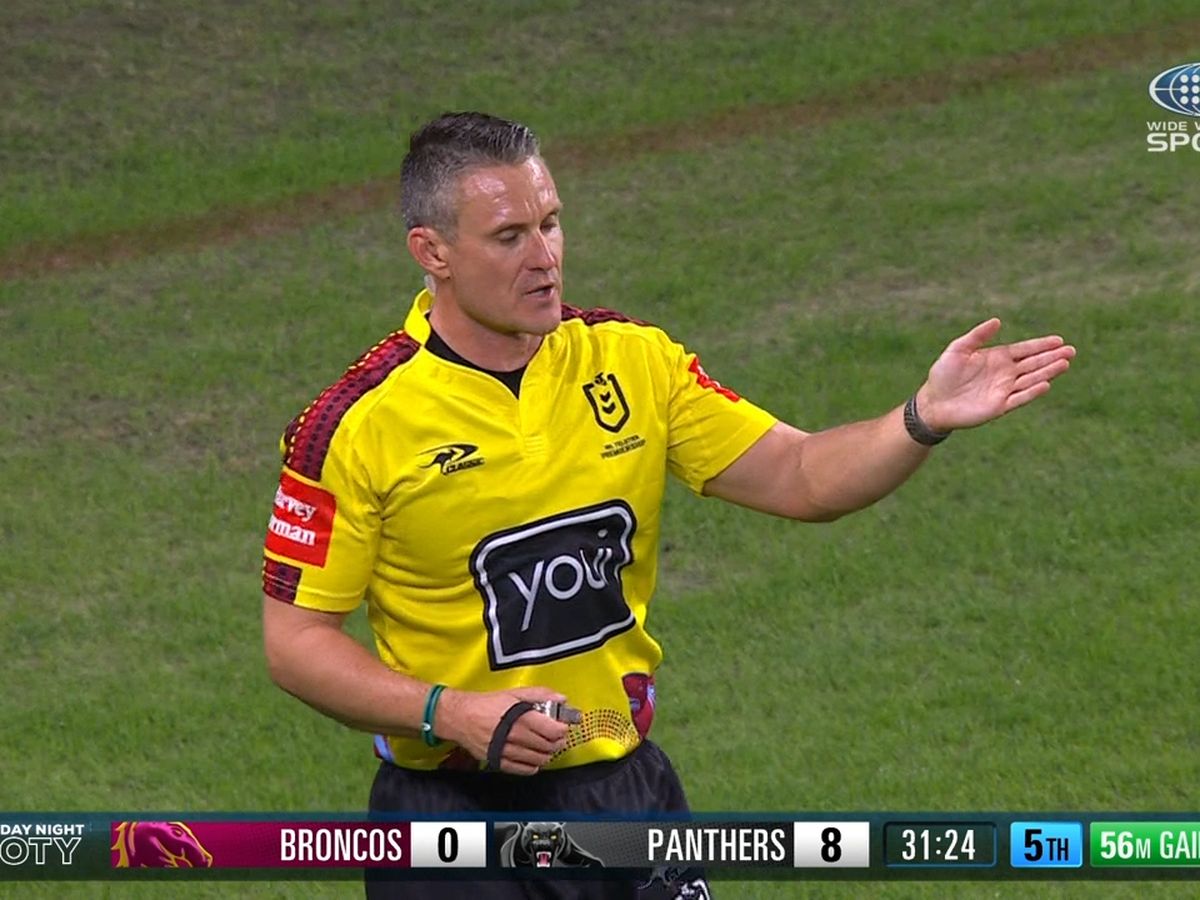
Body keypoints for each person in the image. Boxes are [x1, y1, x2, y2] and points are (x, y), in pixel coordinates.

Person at [261, 112, 1075, 899]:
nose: (544, 256)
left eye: (551, 223)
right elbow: (295, 642)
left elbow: (800, 475)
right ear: (431, 251)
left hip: (624, 802)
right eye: (509, 236)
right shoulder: (355, 425)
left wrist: (920, 419)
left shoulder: (634, 364)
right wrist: (451, 711)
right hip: (451, 826)